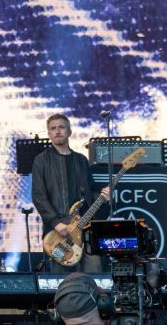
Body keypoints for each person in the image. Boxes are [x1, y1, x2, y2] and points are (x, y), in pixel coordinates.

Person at [31, 113, 109, 273]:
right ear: (49, 134)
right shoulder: (41, 160)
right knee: (60, 281)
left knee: (94, 274)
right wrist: (55, 223)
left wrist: (104, 197)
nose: (57, 131)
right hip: (57, 233)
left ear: (69, 131)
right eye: (53, 128)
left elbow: (90, 191)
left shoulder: (81, 160)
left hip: (85, 228)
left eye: (61, 127)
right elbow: (39, 197)